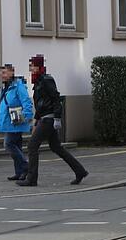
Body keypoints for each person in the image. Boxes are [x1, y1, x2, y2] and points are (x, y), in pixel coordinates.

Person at [17, 56, 88, 187]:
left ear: (38, 67)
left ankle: (32, 179)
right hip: (44, 118)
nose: (30, 68)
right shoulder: (38, 81)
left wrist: (57, 118)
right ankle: (80, 171)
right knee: (56, 147)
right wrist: (36, 119)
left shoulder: (46, 80)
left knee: (32, 146)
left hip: (49, 119)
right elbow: (39, 104)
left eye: (32, 66)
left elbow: (56, 98)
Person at [0, 63, 34, 182]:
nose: (2, 75)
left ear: (12, 72)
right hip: (10, 121)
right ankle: (19, 172)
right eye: (1, 73)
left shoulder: (18, 86)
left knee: (8, 144)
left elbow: (26, 101)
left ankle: (25, 167)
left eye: (4, 72)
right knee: (16, 145)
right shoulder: (6, 86)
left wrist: (27, 115)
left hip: (16, 120)